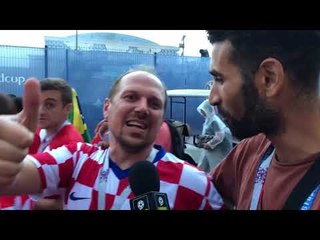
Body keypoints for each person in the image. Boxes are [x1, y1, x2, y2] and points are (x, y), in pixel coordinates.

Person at [0, 68, 224, 210]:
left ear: (161, 119)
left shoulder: (195, 184)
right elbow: (14, 177)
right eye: (131, 97)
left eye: (154, 104)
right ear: (107, 108)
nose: (142, 108)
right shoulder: (76, 159)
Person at [207, 30, 320, 210]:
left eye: (219, 79)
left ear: (269, 79)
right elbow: (199, 193)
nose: (212, 98)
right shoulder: (250, 152)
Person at [1, 78, 84, 210]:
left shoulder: (71, 144)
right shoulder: (39, 131)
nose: (41, 111)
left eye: (49, 105)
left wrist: (23, 201)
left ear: (67, 109)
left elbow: (66, 201)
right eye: (38, 104)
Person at [196, 99, 233, 173]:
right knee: (202, 167)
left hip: (216, 150)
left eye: (203, 110)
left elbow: (220, 136)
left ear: (208, 109)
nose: (202, 113)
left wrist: (210, 144)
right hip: (209, 150)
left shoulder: (214, 120)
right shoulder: (208, 119)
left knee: (215, 168)